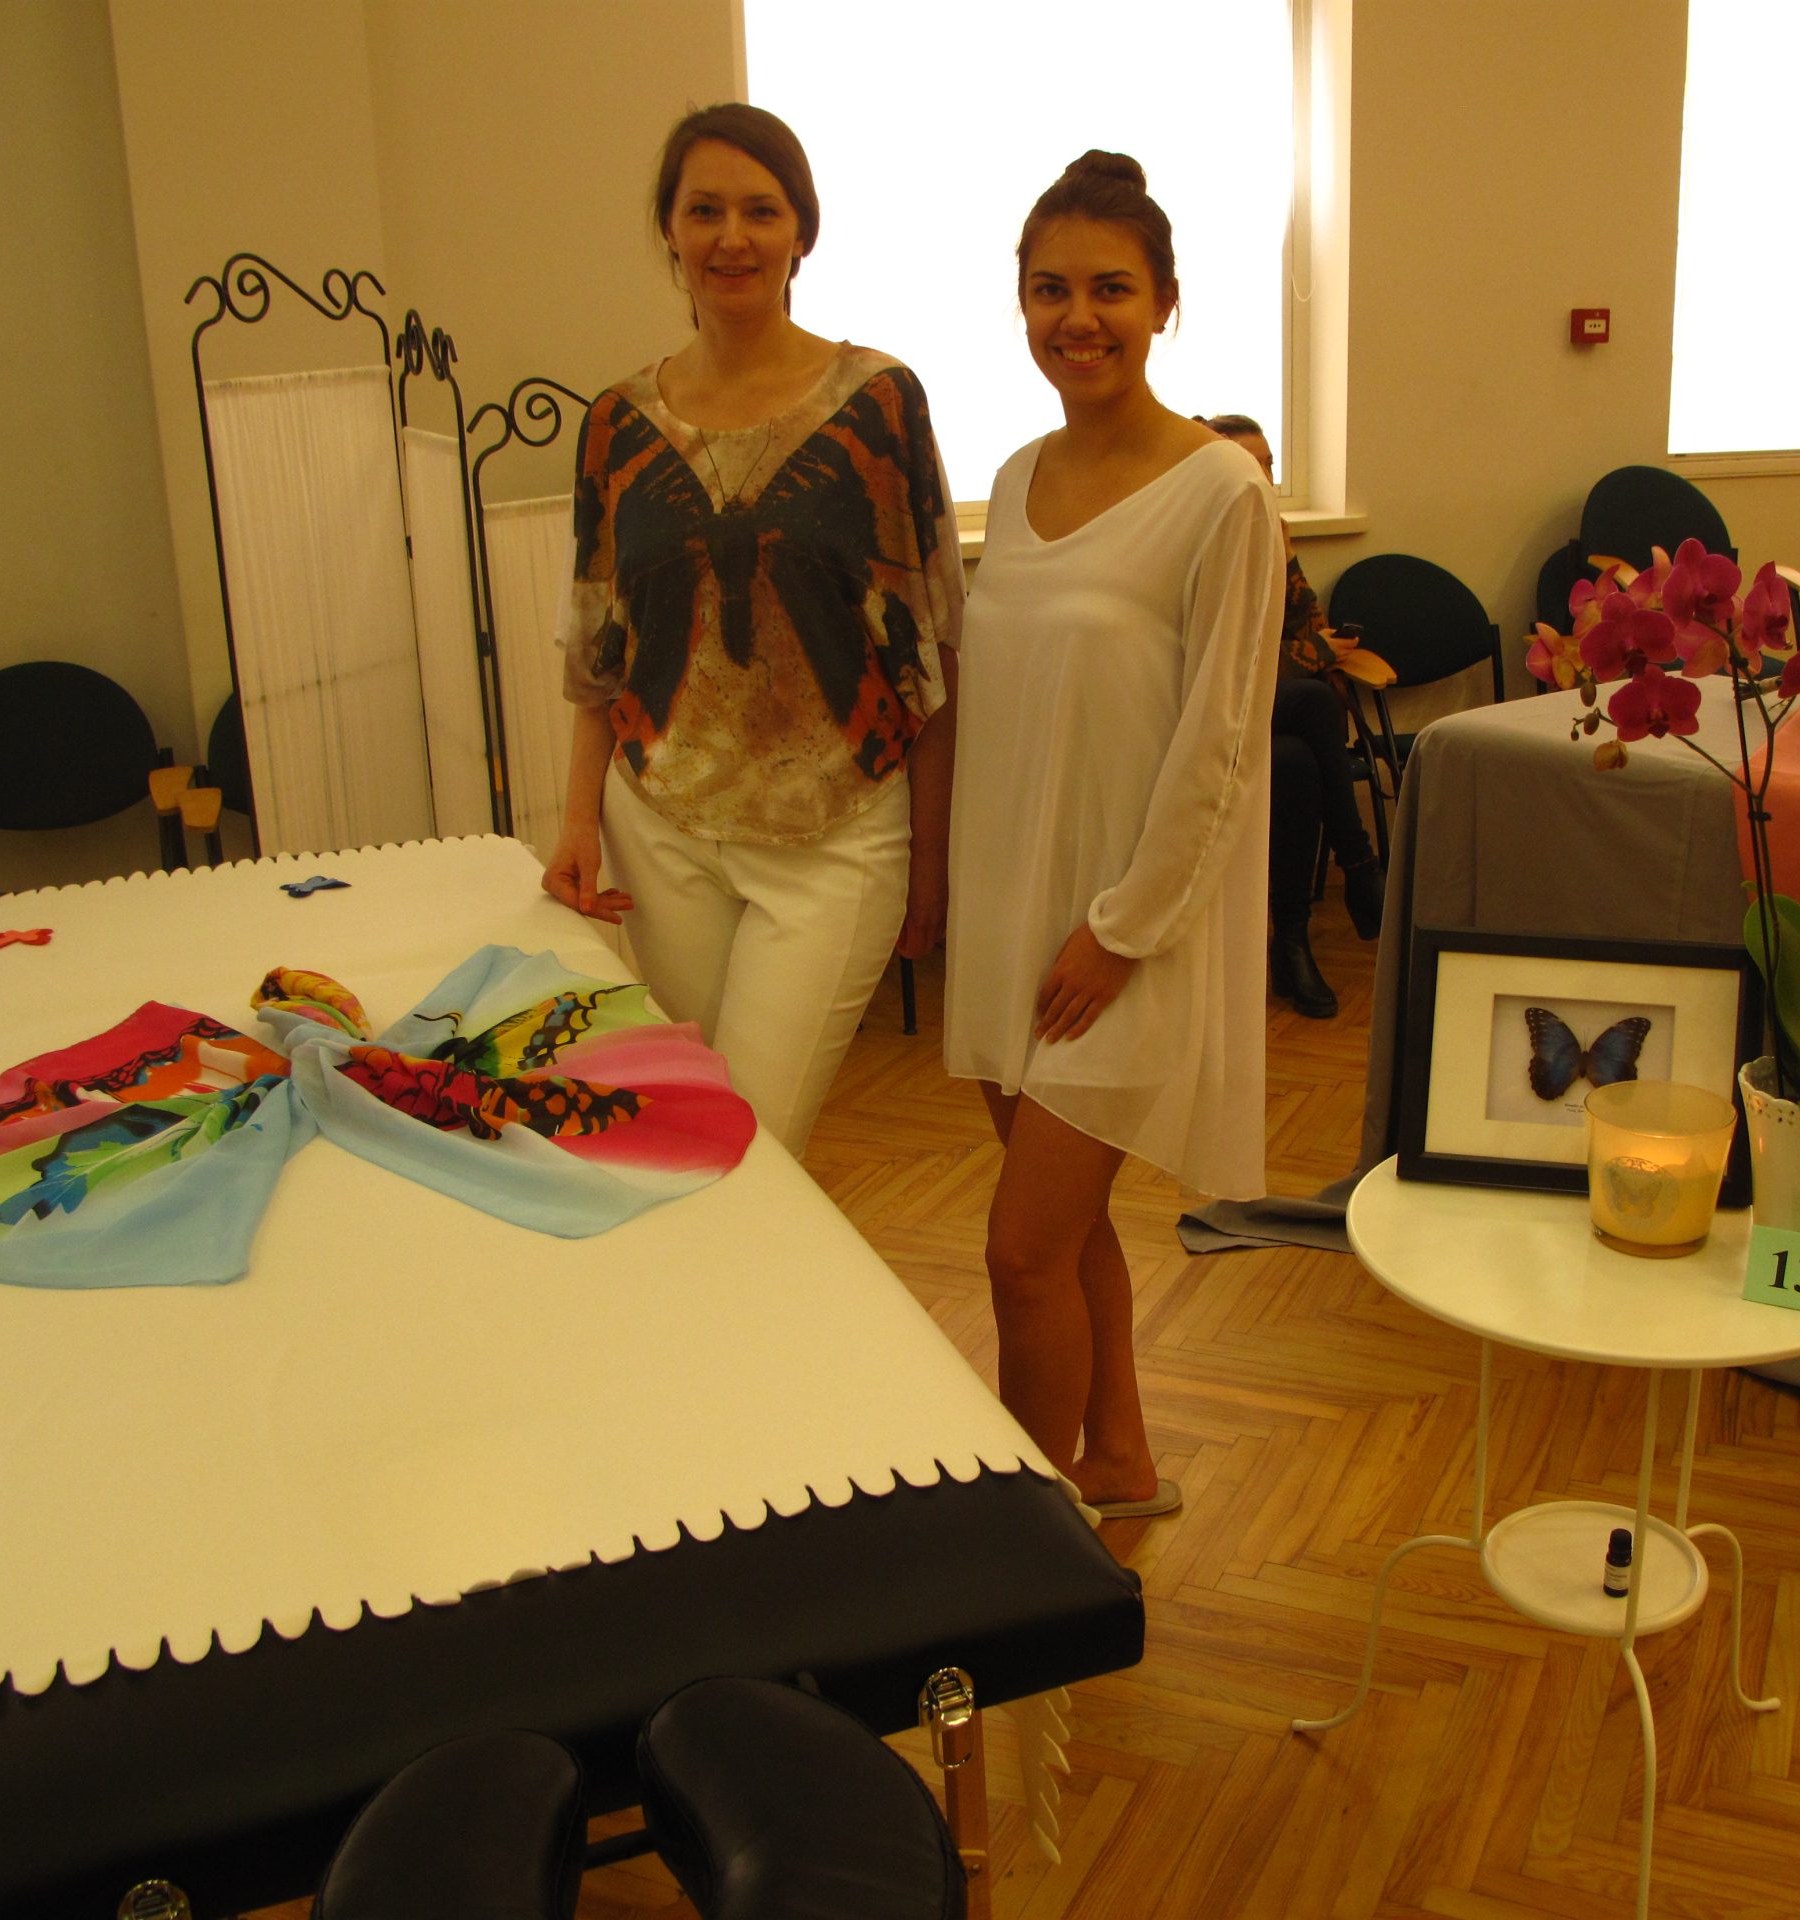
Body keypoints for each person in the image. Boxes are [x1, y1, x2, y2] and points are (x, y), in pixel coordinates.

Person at [944, 153, 1282, 1518]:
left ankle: (1028, 1547)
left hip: (1120, 934)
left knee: (1021, 1254)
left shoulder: (1221, 492)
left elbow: (1222, 745)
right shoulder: (1015, 474)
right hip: (1010, 917)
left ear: (1165, 305)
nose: (1076, 318)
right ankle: (1123, 1463)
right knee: (1068, 1231)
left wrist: (1123, 930)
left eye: (1110, 290)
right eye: (1049, 290)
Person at [544, 104, 963, 1159]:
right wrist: (578, 821)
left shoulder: (879, 402)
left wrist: (933, 858)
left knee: (754, 1146)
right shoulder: (616, 423)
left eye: (760, 211)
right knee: (685, 1129)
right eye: (705, 211)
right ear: (670, 231)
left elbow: (934, 649)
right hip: (660, 829)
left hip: (836, 833)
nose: (732, 237)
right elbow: (598, 652)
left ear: (801, 233)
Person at [1202, 414, 1386, 1020]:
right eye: (1248, 466)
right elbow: (1229, 664)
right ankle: (1358, 863)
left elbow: (1308, 627)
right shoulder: (1199, 539)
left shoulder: (1273, 533)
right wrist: (1317, 654)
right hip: (1205, 715)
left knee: (1298, 762)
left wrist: (1285, 566)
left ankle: (1292, 942)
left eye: (1269, 466)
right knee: (1313, 701)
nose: (1264, 479)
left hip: (1267, 721)